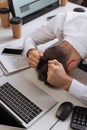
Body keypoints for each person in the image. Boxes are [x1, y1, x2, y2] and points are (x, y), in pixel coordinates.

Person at [23, 10, 87, 105]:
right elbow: (30, 38)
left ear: (71, 66)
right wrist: (30, 51)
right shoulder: (63, 20)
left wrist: (66, 82)